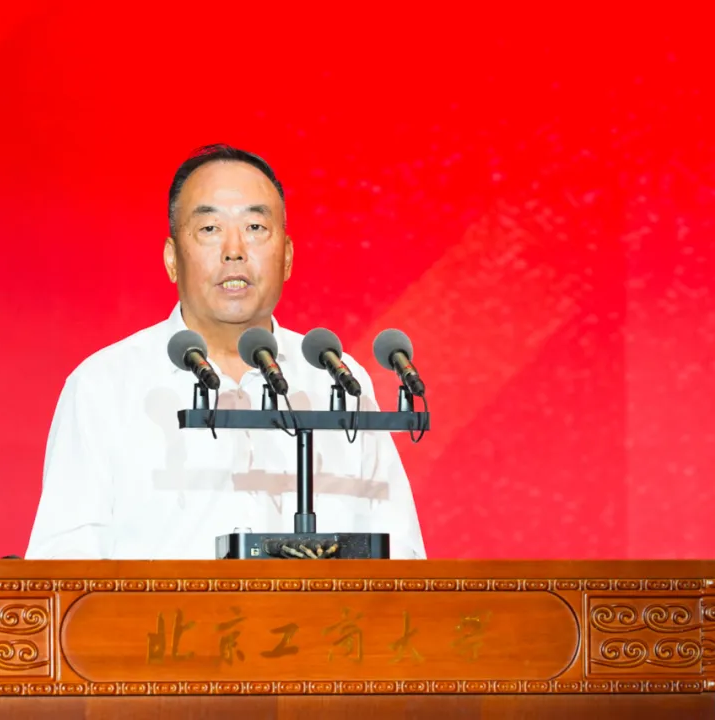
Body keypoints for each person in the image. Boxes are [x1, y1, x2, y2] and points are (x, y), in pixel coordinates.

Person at [24, 144, 425, 560]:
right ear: (172, 259)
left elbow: (402, 554)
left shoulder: (336, 380)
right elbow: (64, 564)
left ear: (287, 257)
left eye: (255, 227)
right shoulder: (105, 386)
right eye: (210, 229)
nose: (234, 250)